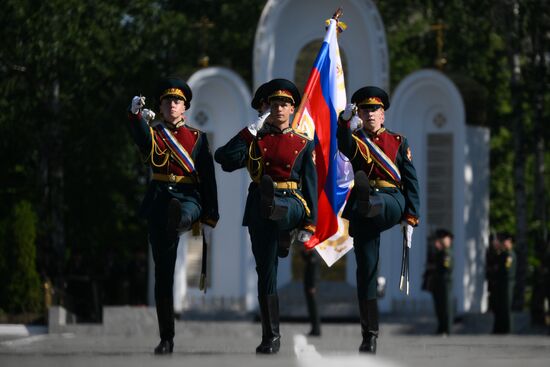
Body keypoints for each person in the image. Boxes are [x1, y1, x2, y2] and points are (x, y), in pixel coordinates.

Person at [215, 78, 317, 354]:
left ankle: (286, 228)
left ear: (293, 109)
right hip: (261, 207)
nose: (279, 108)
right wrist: (249, 132)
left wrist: (311, 223)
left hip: (293, 201)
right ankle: (271, 336)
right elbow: (223, 158)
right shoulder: (256, 139)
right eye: (275, 104)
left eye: (285, 104)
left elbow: (311, 184)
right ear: (267, 108)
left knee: (282, 211)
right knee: (266, 274)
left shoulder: (304, 142)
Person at [127, 77, 219, 354]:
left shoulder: (198, 138)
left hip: (188, 196)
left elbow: (208, 178)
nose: (171, 105)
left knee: (185, 212)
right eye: (167, 101)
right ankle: (166, 337)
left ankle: (179, 219)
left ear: (185, 107)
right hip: (159, 199)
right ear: (161, 106)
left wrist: (211, 216)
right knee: (163, 275)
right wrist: (135, 116)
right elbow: (141, 139)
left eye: (176, 101)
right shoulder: (153, 133)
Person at [336, 86, 420, 353]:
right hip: (363, 209)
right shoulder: (355, 139)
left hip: (391, 199)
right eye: (365, 109)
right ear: (359, 113)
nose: (370, 114)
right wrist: (343, 121)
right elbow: (343, 145)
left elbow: (411, 181)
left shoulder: (398, 141)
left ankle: (368, 200)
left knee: (378, 203)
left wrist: (411, 217)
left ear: (383, 114)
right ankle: (369, 335)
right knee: (366, 271)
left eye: (375, 109)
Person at [422, 229, 454, 335]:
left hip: (445, 282)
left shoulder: (447, 253)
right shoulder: (440, 252)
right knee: (439, 307)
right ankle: (441, 328)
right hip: (438, 283)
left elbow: (445, 268)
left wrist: (434, 266)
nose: (440, 241)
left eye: (442, 239)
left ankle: (447, 329)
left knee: (446, 307)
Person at [492, 232, 516, 334]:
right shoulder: (503, 254)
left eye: (503, 241)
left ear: (509, 241)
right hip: (500, 283)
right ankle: (499, 329)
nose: (502, 243)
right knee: (499, 306)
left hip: (507, 283)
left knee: (505, 307)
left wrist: (497, 269)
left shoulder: (509, 255)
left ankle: (507, 329)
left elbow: (505, 270)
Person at [301, 248, 321, 336]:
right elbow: (305, 257)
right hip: (309, 285)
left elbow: (314, 273)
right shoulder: (311, 255)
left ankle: (316, 330)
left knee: (314, 309)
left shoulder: (314, 256)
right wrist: (303, 251)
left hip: (312, 286)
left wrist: (313, 286)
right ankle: (314, 329)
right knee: (311, 308)